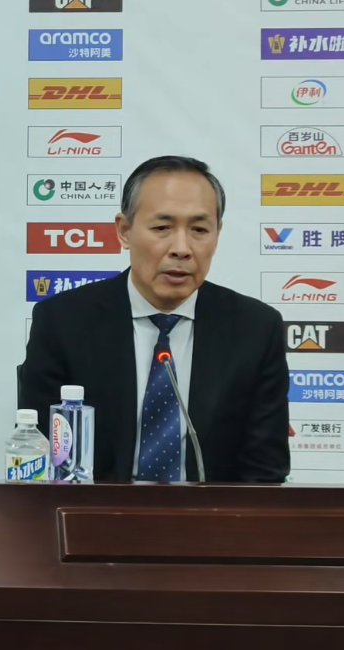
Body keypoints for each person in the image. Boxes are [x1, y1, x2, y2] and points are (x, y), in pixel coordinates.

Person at [19, 155, 290, 483]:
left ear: (217, 234)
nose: (182, 249)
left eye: (199, 230)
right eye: (162, 228)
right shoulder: (64, 322)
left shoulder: (255, 329)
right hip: (96, 511)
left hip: (211, 512)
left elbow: (265, 472)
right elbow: (43, 454)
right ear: (124, 231)